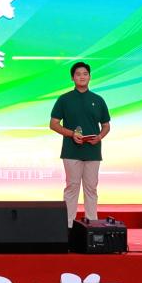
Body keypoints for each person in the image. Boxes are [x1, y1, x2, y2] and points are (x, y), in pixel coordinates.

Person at [48, 61, 111, 227]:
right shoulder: (64, 99)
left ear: (90, 77)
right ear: (72, 78)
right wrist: (72, 134)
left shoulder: (98, 100)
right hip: (71, 151)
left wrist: (99, 137)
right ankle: (68, 226)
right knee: (72, 187)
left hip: (93, 151)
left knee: (91, 189)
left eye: (85, 74)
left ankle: (92, 225)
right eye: (78, 74)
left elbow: (106, 125)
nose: (82, 77)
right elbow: (53, 124)